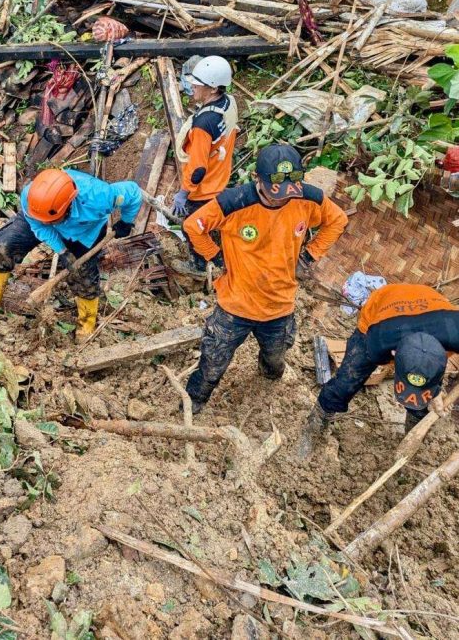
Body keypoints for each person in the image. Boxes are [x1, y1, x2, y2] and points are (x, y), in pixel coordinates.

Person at [182, 144, 348, 412]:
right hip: (235, 306)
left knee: (275, 361)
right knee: (212, 363)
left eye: (287, 193)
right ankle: (194, 403)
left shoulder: (307, 199)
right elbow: (193, 226)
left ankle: (266, 385)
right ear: (257, 179)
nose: (281, 200)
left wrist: (308, 256)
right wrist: (217, 257)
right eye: (275, 194)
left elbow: (337, 220)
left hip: (279, 307)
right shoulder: (234, 202)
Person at [0, 168, 142, 341]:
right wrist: (62, 250)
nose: (47, 223)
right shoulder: (32, 198)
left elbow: (134, 192)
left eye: (53, 219)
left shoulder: (100, 196)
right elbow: (40, 225)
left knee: (83, 275)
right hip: (38, 216)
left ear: (69, 205)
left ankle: (86, 324)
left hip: (84, 233)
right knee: (1, 248)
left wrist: (126, 221)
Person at [299, 283, 459, 457]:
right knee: (345, 383)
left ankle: (413, 433)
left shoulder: (456, 331)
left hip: (433, 307)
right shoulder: (377, 343)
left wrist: (434, 392)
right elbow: (366, 354)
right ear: (394, 355)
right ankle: (315, 426)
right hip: (383, 310)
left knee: (423, 398)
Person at [172, 55, 239, 275]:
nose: (191, 85)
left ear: (211, 88)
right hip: (220, 174)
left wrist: (183, 193)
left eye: (196, 83)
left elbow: (198, 169)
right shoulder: (228, 102)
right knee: (211, 219)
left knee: (191, 227)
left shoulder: (203, 124)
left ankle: (202, 265)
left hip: (204, 187)